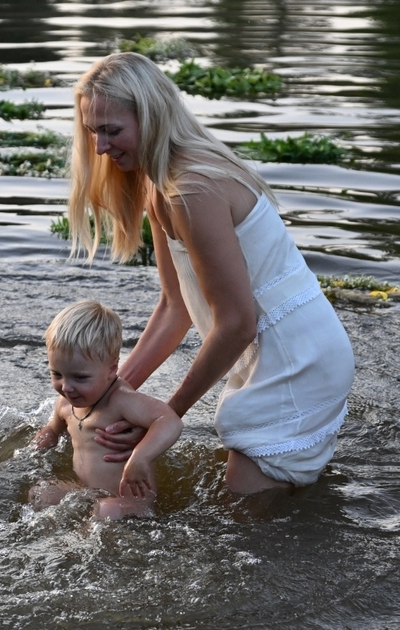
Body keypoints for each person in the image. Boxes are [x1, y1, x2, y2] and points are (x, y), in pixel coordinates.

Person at [69, 52, 355, 495]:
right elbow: (173, 308)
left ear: (151, 117)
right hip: (276, 349)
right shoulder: (158, 183)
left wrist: (166, 415)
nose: (101, 148)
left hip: (297, 358)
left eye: (112, 131)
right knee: (262, 507)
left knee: (242, 522)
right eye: (93, 133)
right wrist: (111, 394)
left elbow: (238, 322)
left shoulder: (192, 190)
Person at [31, 300, 183, 519]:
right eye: (57, 374)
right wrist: (43, 439)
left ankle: (80, 546)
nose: (66, 387)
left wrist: (140, 457)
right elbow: (53, 430)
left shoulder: (121, 401)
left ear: (112, 368)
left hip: (128, 502)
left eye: (80, 378)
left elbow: (170, 421)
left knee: (106, 510)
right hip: (86, 492)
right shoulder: (65, 402)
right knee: (41, 493)